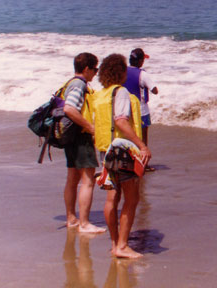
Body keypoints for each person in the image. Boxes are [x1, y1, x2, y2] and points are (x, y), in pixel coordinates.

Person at [94, 54, 151, 258]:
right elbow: (121, 121)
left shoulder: (100, 95)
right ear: (121, 72)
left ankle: (114, 243)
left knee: (112, 197)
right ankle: (122, 246)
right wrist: (142, 145)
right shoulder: (121, 92)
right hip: (122, 150)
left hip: (105, 150)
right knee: (132, 198)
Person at [61, 52, 106, 234]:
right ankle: (85, 223)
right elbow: (70, 108)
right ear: (86, 69)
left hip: (69, 136)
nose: (95, 73)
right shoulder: (79, 84)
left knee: (72, 179)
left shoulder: (69, 83)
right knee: (88, 180)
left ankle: (72, 218)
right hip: (80, 136)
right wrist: (91, 128)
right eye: (95, 69)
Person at [122, 48, 158, 172]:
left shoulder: (122, 71)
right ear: (141, 61)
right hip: (141, 110)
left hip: (125, 109)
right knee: (143, 138)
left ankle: (129, 161)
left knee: (129, 136)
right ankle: (143, 164)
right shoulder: (143, 74)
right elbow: (155, 90)